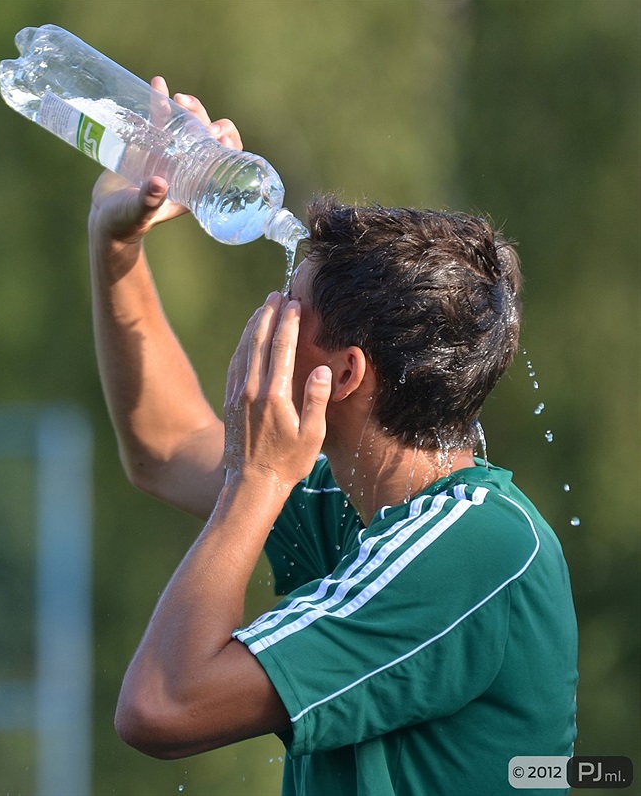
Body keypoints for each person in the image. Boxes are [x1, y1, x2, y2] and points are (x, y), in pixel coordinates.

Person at [88, 79, 578, 795]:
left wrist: (255, 482)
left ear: (344, 375)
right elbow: (162, 448)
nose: (268, 315)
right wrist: (116, 242)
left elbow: (162, 706)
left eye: (291, 306)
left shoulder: (476, 543)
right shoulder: (353, 496)